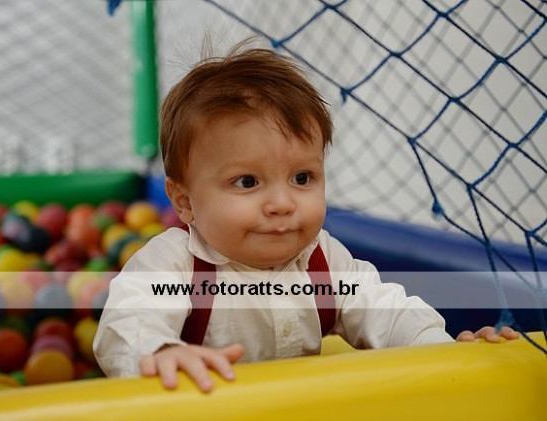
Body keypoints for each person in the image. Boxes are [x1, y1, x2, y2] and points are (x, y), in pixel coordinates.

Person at [93, 45, 519, 393]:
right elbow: (128, 319)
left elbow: (387, 311)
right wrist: (160, 351)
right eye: (247, 182)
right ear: (185, 202)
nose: (282, 203)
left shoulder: (324, 261)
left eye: (302, 178)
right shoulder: (176, 264)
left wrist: (442, 350)